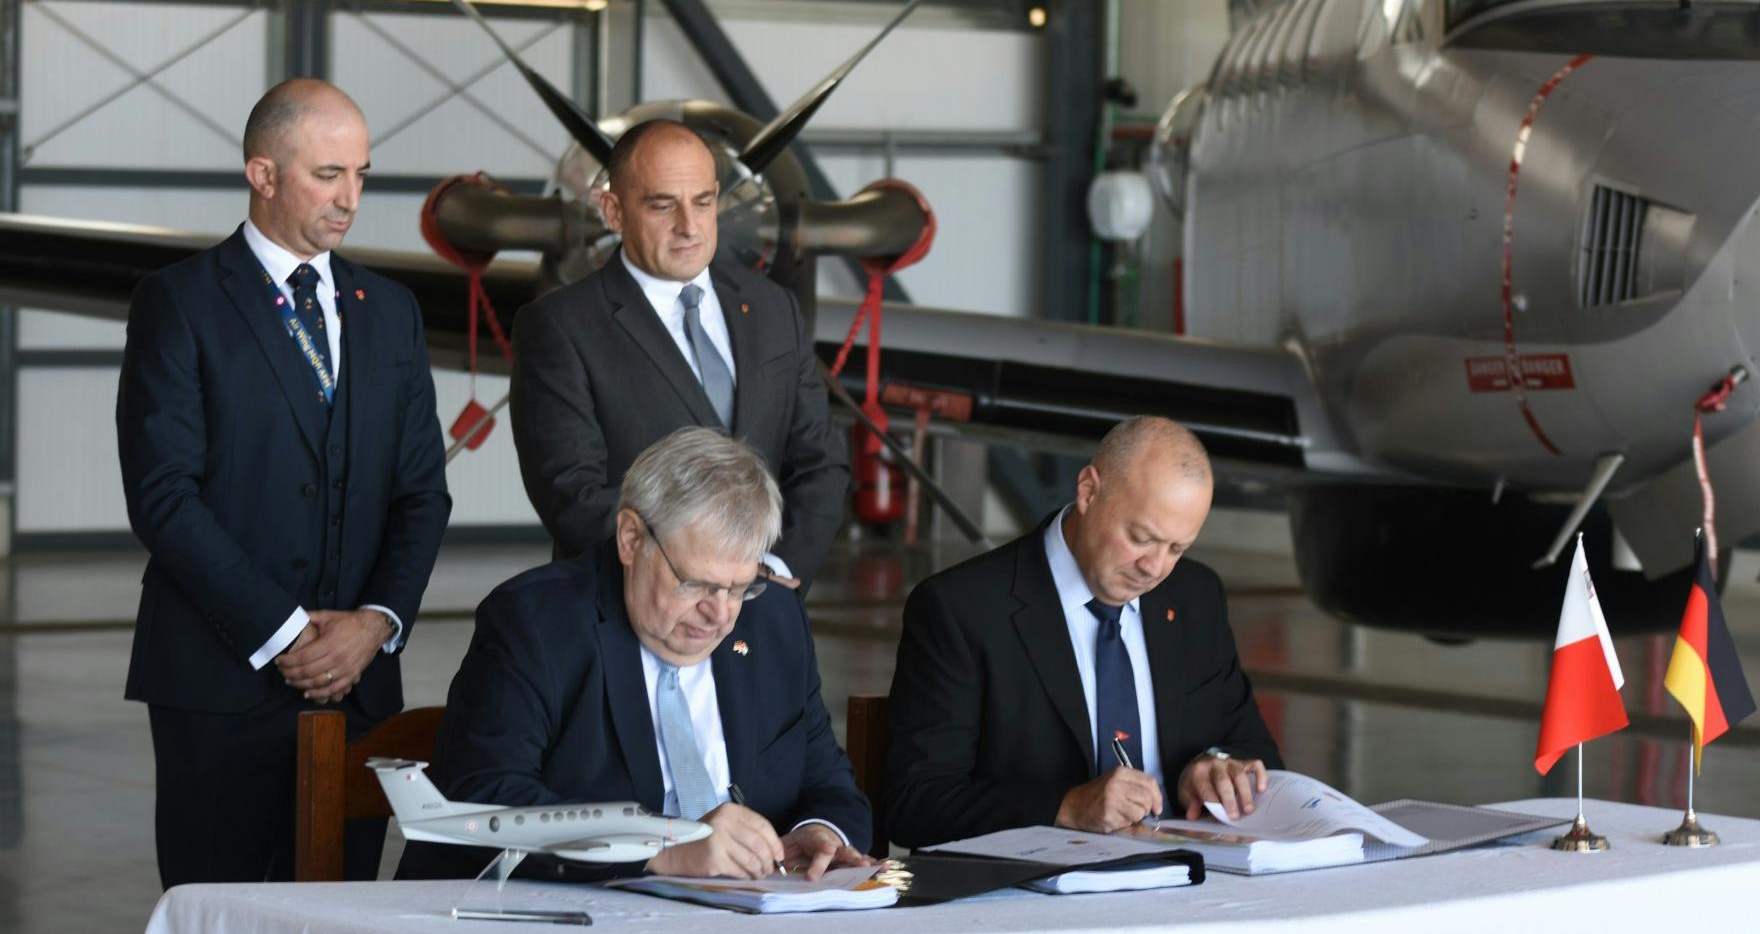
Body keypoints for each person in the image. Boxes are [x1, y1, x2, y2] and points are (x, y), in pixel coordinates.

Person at [117, 79, 451, 887]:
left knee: (341, 908)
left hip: (361, 689)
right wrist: (290, 633)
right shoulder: (179, 304)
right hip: (220, 683)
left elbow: (421, 494)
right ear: (262, 175)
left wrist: (375, 623)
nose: (351, 199)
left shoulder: (392, 312)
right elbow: (164, 495)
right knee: (222, 905)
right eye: (328, 174)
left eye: (362, 175)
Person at [397, 427, 871, 881]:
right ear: (630, 539)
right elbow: (483, 802)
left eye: (740, 588)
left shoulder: (774, 621)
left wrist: (819, 831)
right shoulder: (535, 623)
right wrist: (659, 847)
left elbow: (829, 781)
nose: (721, 615)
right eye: (696, 584)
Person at [883, 416, 1281, 848]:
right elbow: (913, 804)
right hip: (1029, 898)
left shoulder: (1194, 596)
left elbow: (1257, 755)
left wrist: (1214, 767)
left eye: (1177, 549)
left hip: (1184, 884)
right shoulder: (961, 609)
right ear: (1089, 491)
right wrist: (1066, 807)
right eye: (1141, 537)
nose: (1155, 568)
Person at [509, 119, 846, 593]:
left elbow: (820, 461)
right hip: (632, 612)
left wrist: (778, 570)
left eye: (703, 203)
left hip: (767, 607)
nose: (689, 226)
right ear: (613, 210)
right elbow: (572, 494)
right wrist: (700, 581)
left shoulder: (773, 308)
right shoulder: (560, 327)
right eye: (663, 205)